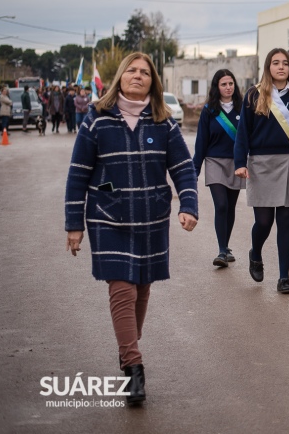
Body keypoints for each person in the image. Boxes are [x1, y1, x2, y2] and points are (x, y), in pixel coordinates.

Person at [64, 52, 198, 406]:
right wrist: (74, 224)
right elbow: (79, 173)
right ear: (120, 77)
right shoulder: (97, 120)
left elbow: (183, 167)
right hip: (108, 217)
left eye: (145, 73)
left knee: (141, 289)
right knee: (121, 288)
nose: (137, 76)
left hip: (152, 217)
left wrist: (188, 205)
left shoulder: (163, 122)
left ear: (153, 82)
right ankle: (134, 368)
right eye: (131, 71)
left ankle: (127, 346)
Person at [234, 48, 289, 294]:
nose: (281, 67)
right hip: (260, 164)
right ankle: (256, 252)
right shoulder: (254, 94)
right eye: (275, 63)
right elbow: (243, 134)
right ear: (268, 67)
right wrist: (240, 162)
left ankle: (284, 277)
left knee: (285, 222)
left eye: (285, 63)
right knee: (263, 221)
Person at [193, 69, 246, 268]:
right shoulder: (209, 110)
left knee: (231, 207)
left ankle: (225, 246)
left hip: (236, 163)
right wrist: (195, 168)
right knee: (221, 205)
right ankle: (221, 250)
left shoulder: (243, 109)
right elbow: (201, 141)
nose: (228, 87)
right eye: (223, 84)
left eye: (230, 84)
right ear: (217, 87)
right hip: (214, 162)